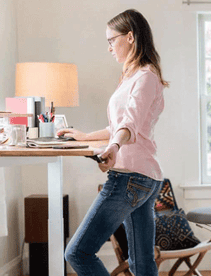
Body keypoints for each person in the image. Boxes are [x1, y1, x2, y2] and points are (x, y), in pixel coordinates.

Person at [59, 9, 169, 276]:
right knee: (142, 264)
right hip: (146, 178)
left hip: (129, 177)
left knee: (77, 252)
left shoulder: (144, 77)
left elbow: (128, 126)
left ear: (130, 37)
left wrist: (114, 147)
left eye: (112, 40)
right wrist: (85, 136)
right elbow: (118, 126)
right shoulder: (135, 76)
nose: (109, 47)